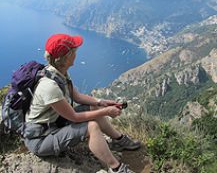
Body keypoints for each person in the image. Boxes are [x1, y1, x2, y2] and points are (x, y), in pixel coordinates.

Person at [24, 33, 141, 173]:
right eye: (74, 51)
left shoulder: (59, 73)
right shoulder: (50, 87)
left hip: (55, 124)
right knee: (92, 127)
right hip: (40, 139)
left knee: (94, 107)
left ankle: (119, 140)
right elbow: (74, 117)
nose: (76, 54)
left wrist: (102, 102)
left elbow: (77, 97)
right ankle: (116, 168)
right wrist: (107, 112)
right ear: (67, 57)